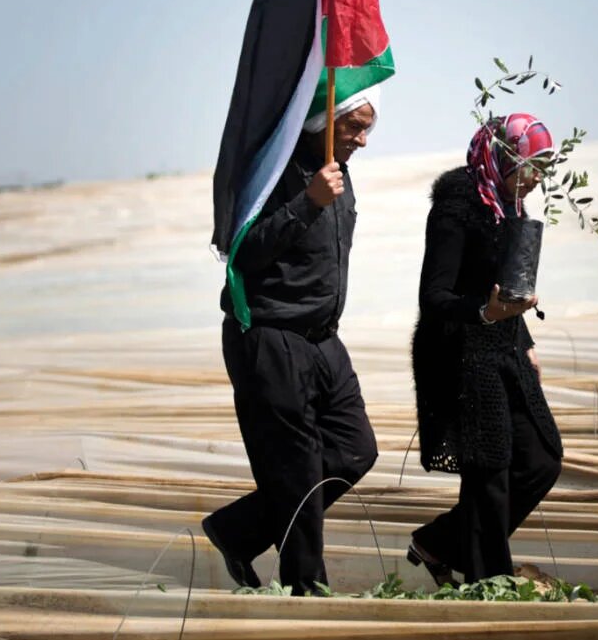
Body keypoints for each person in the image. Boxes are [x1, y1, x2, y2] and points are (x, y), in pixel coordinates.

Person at [201, 90, 380, 596]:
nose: (362, 140)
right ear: (323, 120)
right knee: (298, 469)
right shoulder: (274, 170)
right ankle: (309, 593)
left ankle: (239, 530)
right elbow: (241, 253)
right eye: (353, 127)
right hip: (270, 336)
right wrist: (307, 203)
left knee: (355, 449)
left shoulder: (338, 173)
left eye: (368, 128)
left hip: (324, 340)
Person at [406, 112, 564, 584]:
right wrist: (484, 313)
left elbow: (507, 291)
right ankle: (489, 584)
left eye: (542, 168)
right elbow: (433, 298)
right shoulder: (457, 208)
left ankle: (438, 543)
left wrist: (526, 339)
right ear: (500, 158)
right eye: (528, 167)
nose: (535, 179)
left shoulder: (509, 207)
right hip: (459, 354)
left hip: (506, 347)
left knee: (541, 459)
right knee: (488, 476)